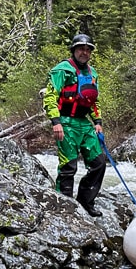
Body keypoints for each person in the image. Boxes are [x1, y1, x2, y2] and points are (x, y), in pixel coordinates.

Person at [43, 33, 106, 217]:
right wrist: (56, 122)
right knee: (69, 166)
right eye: (81, 49)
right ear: (74, 50)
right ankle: (65, 205)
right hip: (66, 122)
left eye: (88, 49)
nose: (84, 52)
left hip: (84, 124)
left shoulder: (92, 73)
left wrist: (98, 122)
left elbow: (94, 101)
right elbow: (50, 96)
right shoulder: (61, 70)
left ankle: (86, 202)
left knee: (99, 162)